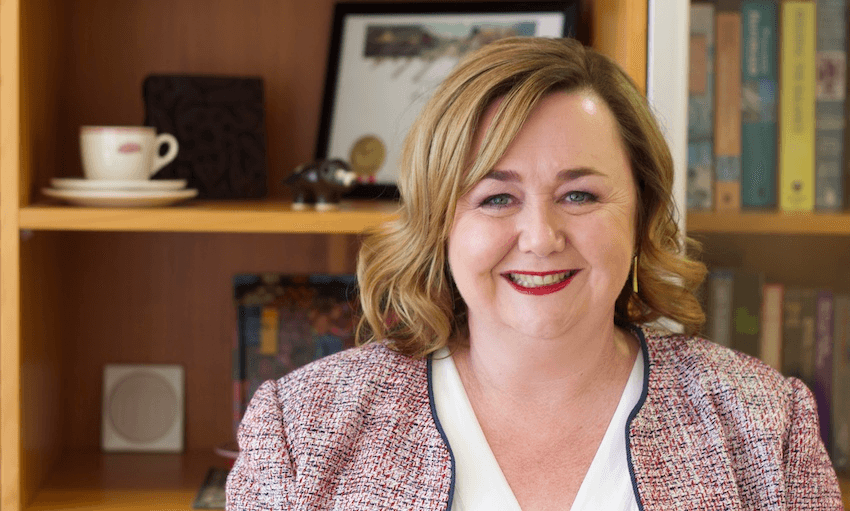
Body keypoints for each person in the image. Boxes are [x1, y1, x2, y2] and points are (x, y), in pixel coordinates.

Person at [226, 37, 842, 510]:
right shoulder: (302, 425)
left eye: (579, 195)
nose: (542, 238)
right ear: (441, 225)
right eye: (496, 198)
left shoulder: (765, 423)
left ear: (642, 212)